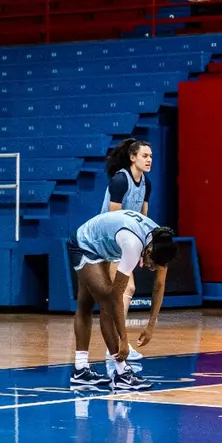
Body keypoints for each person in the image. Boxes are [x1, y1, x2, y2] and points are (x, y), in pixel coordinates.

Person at [67, 210, 179, 392]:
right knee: (107, 305)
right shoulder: (133, 245)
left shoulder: (162, 243)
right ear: (149, 250)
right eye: (151, 263)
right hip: (85, 245)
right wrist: (124, 340)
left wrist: (151, 325)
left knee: (86, 304)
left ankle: (80, 370)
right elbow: (115, 298)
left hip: (103, 246)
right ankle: (121, 373)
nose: (150, 268)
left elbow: (159, 286)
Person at [100, 137, 154, 365]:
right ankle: (115, 345)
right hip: (108, 238)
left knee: (124, 289)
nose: (149, 159)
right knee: (127, 287)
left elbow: (142, 219)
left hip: (127, 240)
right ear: (132, 157)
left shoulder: (146, 183)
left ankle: (115, 344)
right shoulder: (121, 180)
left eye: (151, 156)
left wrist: (143, 248)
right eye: (145, 155)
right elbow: (113, 219)